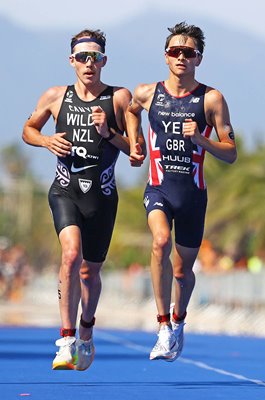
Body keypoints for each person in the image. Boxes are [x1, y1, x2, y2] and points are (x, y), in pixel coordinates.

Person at [22, 28, 144, 371]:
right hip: (65, 190)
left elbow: (138, 153)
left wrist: (110, 133)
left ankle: (86, 330)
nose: (89, 64)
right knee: (70, 256)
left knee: (90, 272)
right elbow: (28, 130)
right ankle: (65, 339)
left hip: (102, 196)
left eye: (96, 57)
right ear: (71, 61)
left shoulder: (120, 98)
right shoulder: (54, 96)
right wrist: (46, 141)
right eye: (82, 57)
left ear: (104, 61)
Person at [126, 21, 237, 361]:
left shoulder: (211, 99)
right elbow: (131, 110)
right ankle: (162, 327)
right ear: (166, 56)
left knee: (182, 270)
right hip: (158, 188)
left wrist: (201, 138)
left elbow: (230, 152)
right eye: (175, 51)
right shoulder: (148, 92)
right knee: (160, 242)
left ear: (198, 59)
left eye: (188, 53)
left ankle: (179, 319)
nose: (181, 57)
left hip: (192, 194)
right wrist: (135, 142)